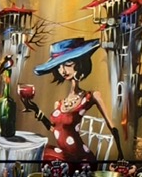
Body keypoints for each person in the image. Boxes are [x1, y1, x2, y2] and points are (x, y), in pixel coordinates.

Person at [17, 35, 115, 164]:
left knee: (42, 157)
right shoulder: (59, 103)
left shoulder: (90, 96)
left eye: (68, 64)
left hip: (81, 159)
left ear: (80, 64)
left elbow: (112, 126)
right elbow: (56, 130)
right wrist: (35, 109)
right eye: (59, 66)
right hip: (64, 156)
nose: (62, 70)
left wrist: (121, 155)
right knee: (39, 152)